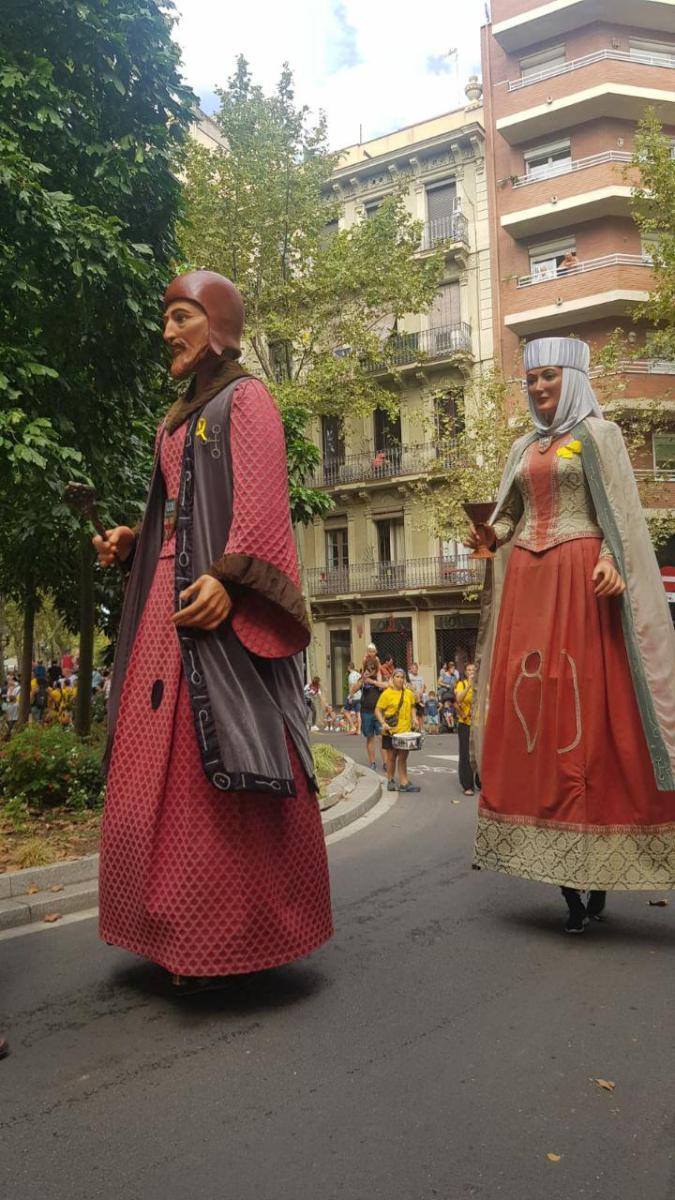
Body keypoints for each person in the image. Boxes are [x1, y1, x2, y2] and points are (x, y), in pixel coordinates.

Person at [93, 269, 332, 985]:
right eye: (166, 319)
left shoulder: (248, 399)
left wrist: (229, 581)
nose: (166, 331)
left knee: (216, 768)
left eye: (181, 316)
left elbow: (260, 504)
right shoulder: (175, 418)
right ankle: (162, 931)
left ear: (218, 322)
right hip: (166, 605)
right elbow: (177, 513)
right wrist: (136, 540)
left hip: (215, 608)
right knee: (153, 768)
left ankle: (225, 938)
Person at [467, 337, 675, 933]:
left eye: (549, 376)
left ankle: (598, 869)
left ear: (575, 379)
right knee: (537, 712)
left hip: (583, 581)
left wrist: (611, 558)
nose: (538, 387)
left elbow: (620, 514)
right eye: (531, 379)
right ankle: (567, 880)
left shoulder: (600, 436)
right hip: (529, 585)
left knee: (589, 717)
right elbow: (511, 514)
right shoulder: (522, 447)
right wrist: (491, 535)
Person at [375, 668, 421, 794]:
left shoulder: (408, 693)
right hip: (391, 731)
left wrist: (414, 718)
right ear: (392, 678)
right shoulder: (387, 694)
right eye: (397, 677)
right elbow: (377, 710)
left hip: (405, 732)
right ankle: (390, 780)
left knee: (403, 758)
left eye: (402, 677)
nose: (400, 679)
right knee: (391, 757)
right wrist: (383, 723)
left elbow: (412, 706)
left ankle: (404, 782)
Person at [454, 665, 476, 795]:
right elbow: (458, 699)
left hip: (479, 723)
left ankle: (481, 780)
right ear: (466, 673)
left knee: (480, 753)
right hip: (465, 723)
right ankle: (467, 785)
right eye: (469, 670)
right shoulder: (462, 684)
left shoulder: (482, 684)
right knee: (466, 753)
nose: (471, 672)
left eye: (473, 670)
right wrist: (469, 686)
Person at [359, 664, 385, 770]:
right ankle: (372, 762)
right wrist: (362, 679)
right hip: (366, 713)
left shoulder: (378, 681)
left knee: (382, 737)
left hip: (378, 713)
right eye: (368, 670)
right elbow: (353, 689)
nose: (370, 672)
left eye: (372, 670)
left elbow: (386, 685)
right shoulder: (363, 681)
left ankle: (386, 763)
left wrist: (373, 681)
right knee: (370, 738)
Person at [344, 662, 362, 734]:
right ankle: (359, 730)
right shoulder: (358, 674)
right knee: (358, 713)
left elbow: (352, 686)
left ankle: (353, 726)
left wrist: (350, 696)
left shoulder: (351, 675)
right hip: (359, 696)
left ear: (349, 667)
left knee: (346, 711)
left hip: (353, 696)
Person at [408, 662, 426, 731]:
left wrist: (421, 692)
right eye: (413, 668)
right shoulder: (409, 676)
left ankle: (421, 728)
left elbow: (423, 686)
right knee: (413, 712)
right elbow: (408, 685)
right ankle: (413, 728)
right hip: (412, 697)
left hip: (420, 697)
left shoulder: (421, 677)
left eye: (416, 668)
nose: (414, 669)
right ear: (411, 669)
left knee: (420, 713)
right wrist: (414, 691)